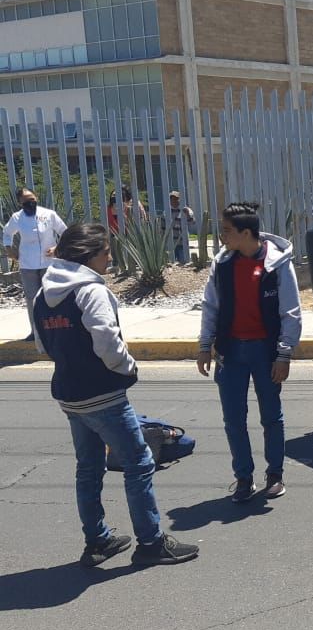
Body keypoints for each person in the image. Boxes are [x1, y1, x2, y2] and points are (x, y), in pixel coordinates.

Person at [34, 223, 199, 567]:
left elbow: (42, 344)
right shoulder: (89, 291)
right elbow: (108, 341)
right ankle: (151, 542)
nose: (110, 257)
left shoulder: (42, 294)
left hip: (69, 395)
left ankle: (97, 540)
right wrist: (127, 368)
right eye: (106, 251)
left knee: (88, 466)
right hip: (103, 395)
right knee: (139, 462)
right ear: (88, 254)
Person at [196, 203, 303, 504]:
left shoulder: (277, 264)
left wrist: (284, 355)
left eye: (227, 231)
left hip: (265, 353)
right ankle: (243, 478)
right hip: (230, 352)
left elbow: (290, 312)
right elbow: (211, 306)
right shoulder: (222, 265)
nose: (221, 237)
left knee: (271, 416)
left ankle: (275, 475)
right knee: (233, 419)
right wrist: (205, 346)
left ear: (246, 233)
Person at [4, 188, 67, 341]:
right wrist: (10, 250)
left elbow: (64, 231)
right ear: (20, 202)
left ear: (36, 197)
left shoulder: (48, 214)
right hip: (27, 264)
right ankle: (35, 331)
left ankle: (54, 329)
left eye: (31, 198)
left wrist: (57, 248)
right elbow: (7, 233)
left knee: (50, 295)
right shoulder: (17, 218)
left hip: (48, 262)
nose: (30, 202)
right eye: (25, 200)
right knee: (32, 298)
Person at [165, 190, 195, 265]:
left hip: (182, 242)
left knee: (183, 262)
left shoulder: (186, 210)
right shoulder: (166, 211)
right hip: (171, 242)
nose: (174, 201)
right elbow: (163, 227)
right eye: (172, 199)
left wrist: (188, 214)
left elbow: (192, 222)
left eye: (176, 198)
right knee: (171, 263)